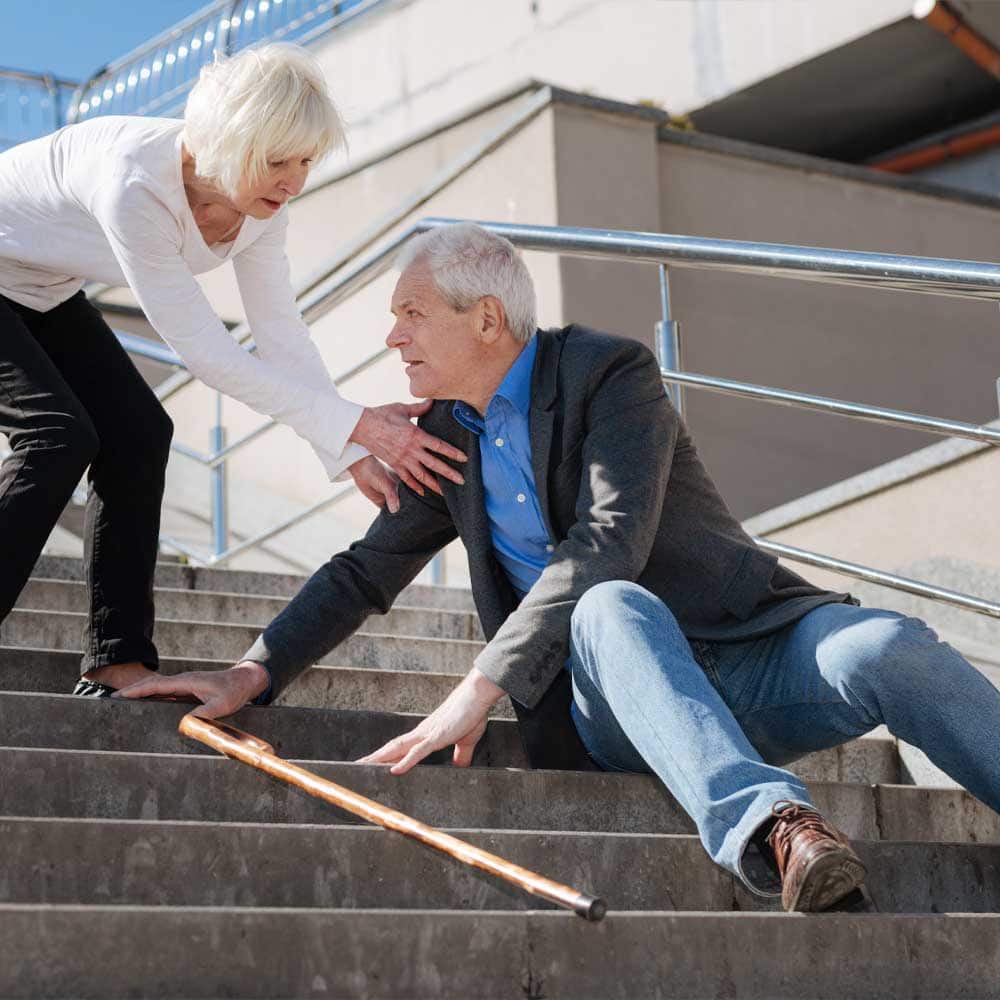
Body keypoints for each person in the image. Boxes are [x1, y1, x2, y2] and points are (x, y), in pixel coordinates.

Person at [119, 222, 1000, 912]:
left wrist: (482, 682)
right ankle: (776, 827)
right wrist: (252, 670)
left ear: (488, 319)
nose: (392, 337)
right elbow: (362, 572)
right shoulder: (444, 437)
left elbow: (608, 537)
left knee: (882, 645)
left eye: (412, 313)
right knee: (610, 610)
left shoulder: (609, 374)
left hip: (745, 650)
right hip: (607, 701)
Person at [0, 44, 466, 697]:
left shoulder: (258, 213)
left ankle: (115, 658)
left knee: (138, 433)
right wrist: (355, 423)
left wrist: (346, 445)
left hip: (38, 288)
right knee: (59, 435)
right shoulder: (134, 184)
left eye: (305, 161)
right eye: (278, 161)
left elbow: (280, 335)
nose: (294, 181)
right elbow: (207, 352)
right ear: (228, 142)